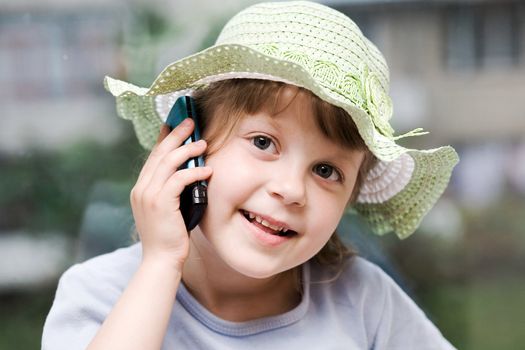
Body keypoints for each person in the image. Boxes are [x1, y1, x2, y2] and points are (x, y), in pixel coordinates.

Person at [42, 1, 459, 349]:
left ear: (349, 198)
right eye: (263, 143)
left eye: (327, 170)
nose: (291, 190)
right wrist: (161, 264)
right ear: (187, 144)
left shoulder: (365, 301)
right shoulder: (100, 293)